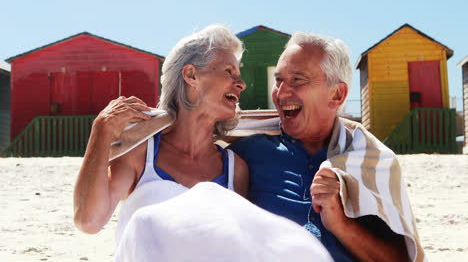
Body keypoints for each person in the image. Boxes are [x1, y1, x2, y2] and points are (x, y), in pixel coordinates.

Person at [229, 32, 422, 261]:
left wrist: (340, 223)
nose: (281, 93)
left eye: (297, 80)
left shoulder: (371, 162)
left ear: (337, 94)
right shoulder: (248, 154)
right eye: (278, 80)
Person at [73, 25, 249, 243]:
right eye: (229, 72)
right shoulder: (140, 155)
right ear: (191, 75)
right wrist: (101, 130)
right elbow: (89, 221)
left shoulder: (235, 169)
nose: (241, 84)